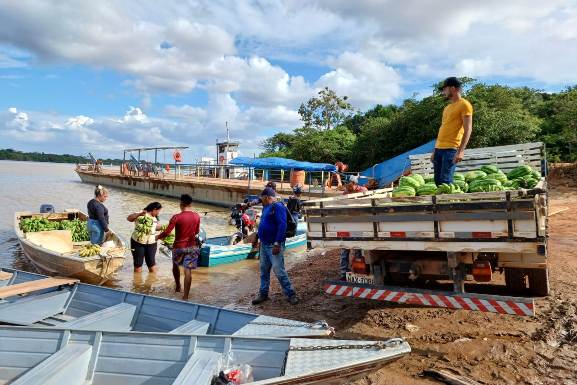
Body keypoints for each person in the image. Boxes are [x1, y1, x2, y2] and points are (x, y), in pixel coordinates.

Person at [252, 187, 298, 305]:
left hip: (274, 244)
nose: (261, 200)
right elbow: (263, 224)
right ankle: (263, 294)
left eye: (262, 198)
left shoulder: (277, 206)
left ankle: (291, 294)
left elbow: (282, 225)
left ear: (267, 198)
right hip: (264, 244)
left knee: (279, 270)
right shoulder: (266, 207)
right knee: (264, 271)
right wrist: (257, 237)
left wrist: (277, 243)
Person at [156, 194, 201, 300]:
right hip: (192, 247)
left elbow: (167, 232)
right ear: (190, 204)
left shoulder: (176, 217)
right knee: (188, 270)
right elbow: (197, 231)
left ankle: (178, 287)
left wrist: (158, 237)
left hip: (178, 248)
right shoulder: (197, 216)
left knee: (175, 266)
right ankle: (185, 296)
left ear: (181, 204)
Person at [431, 77, 473, 185]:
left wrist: (461, 151)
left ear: (453, 88)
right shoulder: (447, 108)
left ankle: (450, 202)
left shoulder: (465, 105)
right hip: (439, 149)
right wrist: (434, 150)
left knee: (445, 182)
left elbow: (468, 129)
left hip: (451, 149)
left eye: (444, 89)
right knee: (437, 182)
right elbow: (443, 129)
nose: (443, 92)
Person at [339, 176, 367, 280]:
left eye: (348, 184)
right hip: (347, 225)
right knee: (344, 249)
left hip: (359, 225)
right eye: (346, 184)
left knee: (358, 249)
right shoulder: (345, 193)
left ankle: (358, 270)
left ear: (354, 183)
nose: (346, 186)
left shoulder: (363, 191)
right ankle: (343, 272)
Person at [127, 202, 163, 273]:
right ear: (154, 209)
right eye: (158, 211)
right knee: (138, 264)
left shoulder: (155, 217)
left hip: (151, 243)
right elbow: (129, 218)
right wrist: (139, 214)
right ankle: (137, 282)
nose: (159, 213)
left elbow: (155, 228)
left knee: (151, 263)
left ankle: (151, 281)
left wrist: (166, 226)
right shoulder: (142, 213)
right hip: (137, 242)